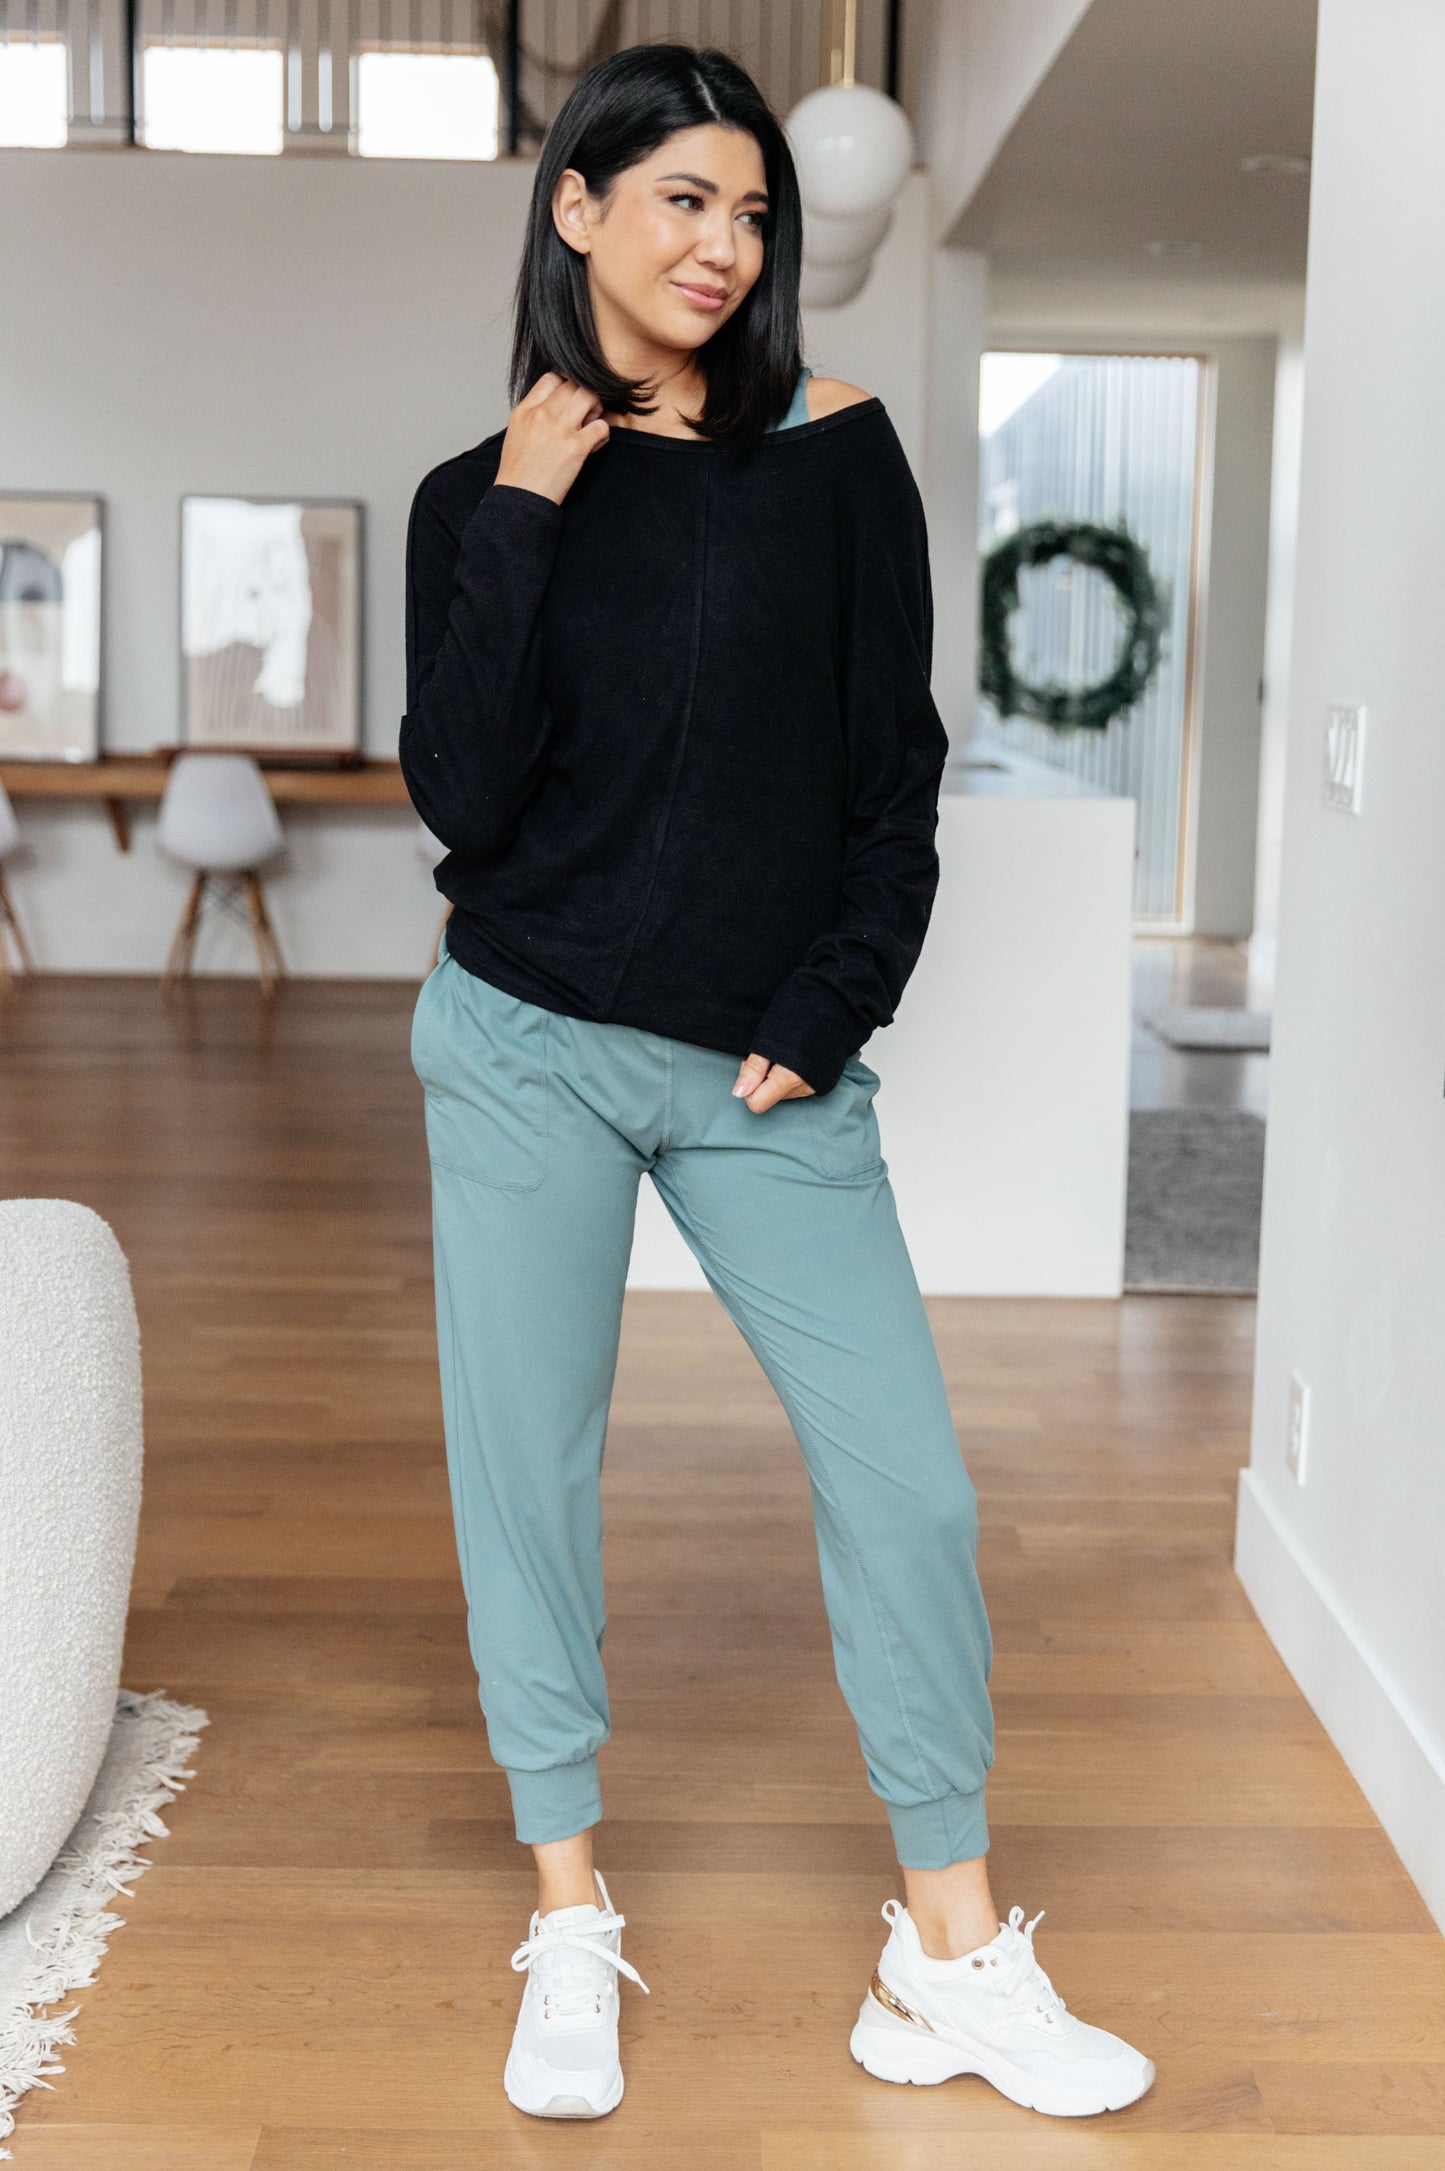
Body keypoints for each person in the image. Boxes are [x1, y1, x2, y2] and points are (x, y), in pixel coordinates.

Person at [400, 39, 1154, 2128]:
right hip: (524, 1042)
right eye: (684, 201)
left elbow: (893, 783)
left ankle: (946, 1954)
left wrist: (831, 1009)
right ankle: (568, 1907)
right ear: (578, 209)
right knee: (526, 1477)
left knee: (908, 1484)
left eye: (751, 212)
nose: (725, 245)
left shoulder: (838, 453)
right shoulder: (479, 496)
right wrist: (529, 508)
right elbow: (461, 796)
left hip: (762, 1076)